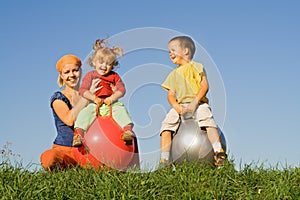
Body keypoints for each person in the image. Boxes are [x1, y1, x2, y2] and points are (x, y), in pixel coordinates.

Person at [160, 36, 227, 166]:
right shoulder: (173, 74)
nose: (170, 54)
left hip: (198, 103)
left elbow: (204, 86)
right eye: (169, 52)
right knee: (166, 127)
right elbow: (171, 95)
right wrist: (176, 107)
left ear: (185, 51)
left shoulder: (196, 67)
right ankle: (164, 160)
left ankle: (218, 152)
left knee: (208, 122)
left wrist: (195, 102)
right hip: (180, 106)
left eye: (173, 50)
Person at [40, 54, 102, 171]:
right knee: (50, 157)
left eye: (75, 70)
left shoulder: (90, 96)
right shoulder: (58, 98)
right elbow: (69, 120)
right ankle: (62, 167)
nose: (71, 75)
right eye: (67, 72)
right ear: (61, 75)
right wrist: (86, 97)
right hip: (65, 149)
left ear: (80, 71)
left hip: (86, 150)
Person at [72, 39, 135, 147]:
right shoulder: (90, 75)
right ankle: (78, 135)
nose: (104, 66)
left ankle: (127, 131)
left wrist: (112, 98)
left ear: (113, 65)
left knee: (121, 110)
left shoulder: (114, 76)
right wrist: (94, 98)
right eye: (101, 62)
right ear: (94, 62)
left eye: (108, 64)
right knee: (84, 114)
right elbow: (83, 90)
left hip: (111, 103)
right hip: (95, 103)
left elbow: (121, 90)